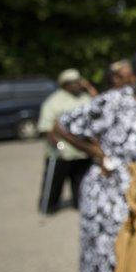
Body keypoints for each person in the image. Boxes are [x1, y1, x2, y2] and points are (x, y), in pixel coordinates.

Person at [55, 47, 136, 272]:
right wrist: (98, 154)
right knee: (109, 261)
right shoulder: (114, 101)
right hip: (109, 194)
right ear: (135, 76)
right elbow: (62, 125)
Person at [37, 68, 96, 214]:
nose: (77, 85)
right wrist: (60, 146)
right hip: (62, 152)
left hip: (83, 152)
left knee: (81, 183)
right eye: (73, 83)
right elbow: (46, 128)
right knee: (54, 183)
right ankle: (49, 206)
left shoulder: (85, 98)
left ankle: (80, 204)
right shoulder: (53, 102)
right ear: (64, 84)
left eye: (78, 81)